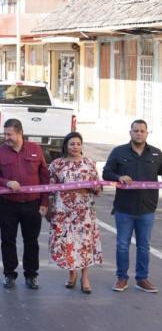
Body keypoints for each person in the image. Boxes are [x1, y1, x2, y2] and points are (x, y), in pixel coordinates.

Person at [103, 119, 162, 293]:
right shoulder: (119, 151)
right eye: (136, 131)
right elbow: (106, 173)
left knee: (144, 246)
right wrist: (118, 177)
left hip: (147, 208)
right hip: (124, 208)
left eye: (142, 131)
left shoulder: (156, 154)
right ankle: (122, 278)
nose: (139, 134)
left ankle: (142, 279)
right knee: (122, 245)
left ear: (147, 133)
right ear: (130, 132)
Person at [0, 118, 49, 289]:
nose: (6, 137)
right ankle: (9, 274)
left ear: (20, 133)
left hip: (32, 204)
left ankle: (31, 275)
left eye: (10, 134)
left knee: (31, 241)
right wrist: (6, 182)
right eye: (5, 134)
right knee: (8, 240)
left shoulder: (35, 149)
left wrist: (44, 202)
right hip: (7, 204)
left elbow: (44, 177)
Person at [47, 131, 102, 294]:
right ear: (66, 145)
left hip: (84, 211)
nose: (75, 147)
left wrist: (91, 187)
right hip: (63, 211)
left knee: (84, 243)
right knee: (68, 243)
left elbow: (98, 187)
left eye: (78, 144)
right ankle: (72, 273)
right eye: (72, 144)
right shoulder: (57, 164)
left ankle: (85, 277)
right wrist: (49, 208)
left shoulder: (89, 163)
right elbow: (50, 188)